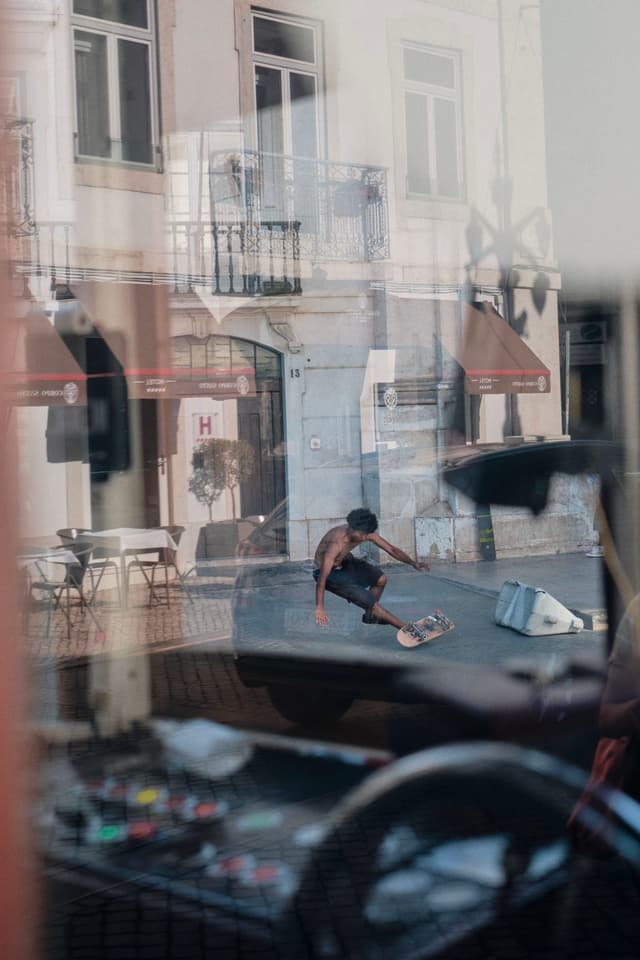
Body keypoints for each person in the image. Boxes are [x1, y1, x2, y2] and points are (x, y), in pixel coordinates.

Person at [313, 507, 430, 633]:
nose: (364, 538)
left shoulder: (364, 531)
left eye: (366, 535)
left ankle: (370, 615)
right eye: (362, 535)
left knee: (381, 579)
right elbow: (322, 578)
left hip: (345, 562)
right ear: (352, 528)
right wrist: (320, 606)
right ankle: (409, 630)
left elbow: (391, 550)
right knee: (372, 604)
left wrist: (413, 563)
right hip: (328, 573)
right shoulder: (336, 543)